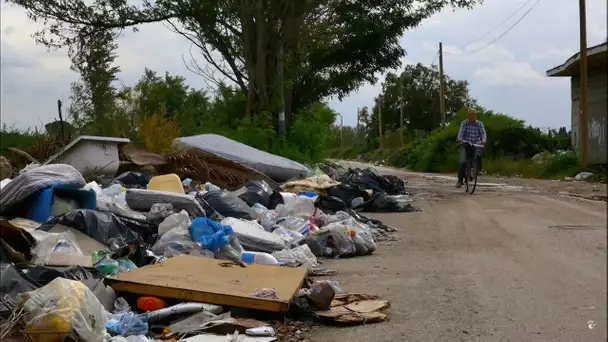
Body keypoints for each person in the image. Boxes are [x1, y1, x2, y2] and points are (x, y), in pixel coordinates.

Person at [456, 110, 487, 188]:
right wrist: (459, 138)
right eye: (470, 115)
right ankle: (460, 180)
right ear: (468, 116)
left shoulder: (479, 123)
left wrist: (483, 140)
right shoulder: (464, 123)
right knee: (463, 161)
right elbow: (460, 133)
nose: (472, 116)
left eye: (473, 115)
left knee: (479, 153)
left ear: (475, 116)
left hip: (476, 144)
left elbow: (483, 134)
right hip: (466, 143)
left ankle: (478, 170)